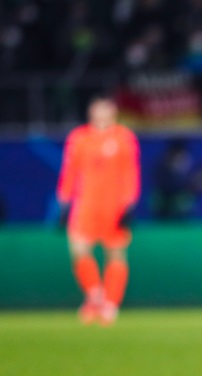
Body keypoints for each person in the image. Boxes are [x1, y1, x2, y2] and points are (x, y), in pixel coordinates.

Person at [57, 95, 141, 325]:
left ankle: (111, 303)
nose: (101, 115)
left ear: (113, 113)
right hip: (86, 204)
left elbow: (130, 172)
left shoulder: (123, 137)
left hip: (114, 205)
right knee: (78, 249)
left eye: (105, 110)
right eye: (97, 110)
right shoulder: (79, 138)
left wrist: (130, 202)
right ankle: (94, 293)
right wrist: (64, 200)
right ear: (91, 113)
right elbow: (70, 171)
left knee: (116, 253)